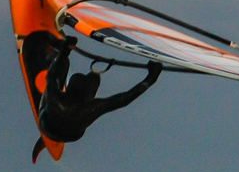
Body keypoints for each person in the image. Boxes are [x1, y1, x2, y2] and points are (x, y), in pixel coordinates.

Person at [22, 32, 162, 161]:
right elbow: (123, 100)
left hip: (48, 124)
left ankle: (52, 51)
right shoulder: (91, 108)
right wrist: (151, 78)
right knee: (65, 70)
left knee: (62, 65)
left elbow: (52, 75)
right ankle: (59, 52)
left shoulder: (63, 100)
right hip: (68, 132)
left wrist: (65, 50)